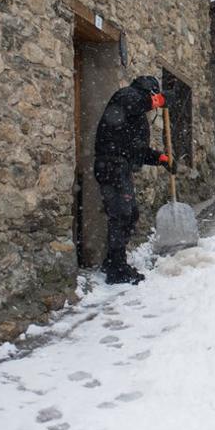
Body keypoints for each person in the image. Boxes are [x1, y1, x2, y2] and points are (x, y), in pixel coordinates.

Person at [93, 76, 173, 285]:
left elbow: (137, 150)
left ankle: (113, 261)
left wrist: (160, 158)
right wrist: (157, 101)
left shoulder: (134, 117)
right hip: (112, 165)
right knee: (122, 215)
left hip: (119, 166)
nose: (153, 103)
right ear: (150, 91)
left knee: (128, 214)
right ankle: (117, 269)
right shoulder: (128, 95)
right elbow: (133, 102)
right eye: (154, 96)